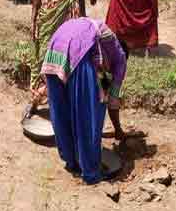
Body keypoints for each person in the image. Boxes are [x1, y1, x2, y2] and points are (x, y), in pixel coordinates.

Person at [42, 17, 127, 185]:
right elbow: (112, 101)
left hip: (56, 46)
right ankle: (90, 172)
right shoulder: (120, 59)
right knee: (89, 114)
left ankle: (71, 161)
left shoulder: (102, 35)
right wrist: (118, 129)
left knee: (61, 110)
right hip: (81, 49)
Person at [26, 0, 90, 119]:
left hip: (67, 15)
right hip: (52, 15)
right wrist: (35, 18)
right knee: (43, 54)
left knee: (65, 57)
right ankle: (36, 100)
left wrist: (83, 20)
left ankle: (61, 100)